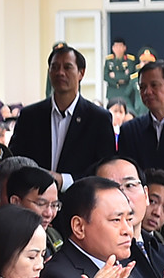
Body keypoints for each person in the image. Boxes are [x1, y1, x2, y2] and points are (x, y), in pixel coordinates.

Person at [7, 44, 116, 179]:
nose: (60, 73)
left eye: (67, 67)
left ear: (81, 73)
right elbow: (15, 161)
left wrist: (64, 180)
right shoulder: (30, 116)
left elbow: (105, 169)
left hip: (80, 191)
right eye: (55, 67)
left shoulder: (98, 119)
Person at [3, 166, 62, 256]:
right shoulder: (2, 240)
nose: (49, 213)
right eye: (41, 204)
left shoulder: (53, 236)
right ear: (16, 202)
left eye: (54, 205)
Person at [104, 38, 140, 115]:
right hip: (112, 91)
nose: (118, 49)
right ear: (113, 48)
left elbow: (129, 77)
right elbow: (106, 76)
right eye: (116, 46)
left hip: (125, 91)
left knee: (128, 112)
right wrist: (119, 79)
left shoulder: (130, 60)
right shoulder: (109, 60)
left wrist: (115, 75)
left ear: (124, 48)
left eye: (120, 46)